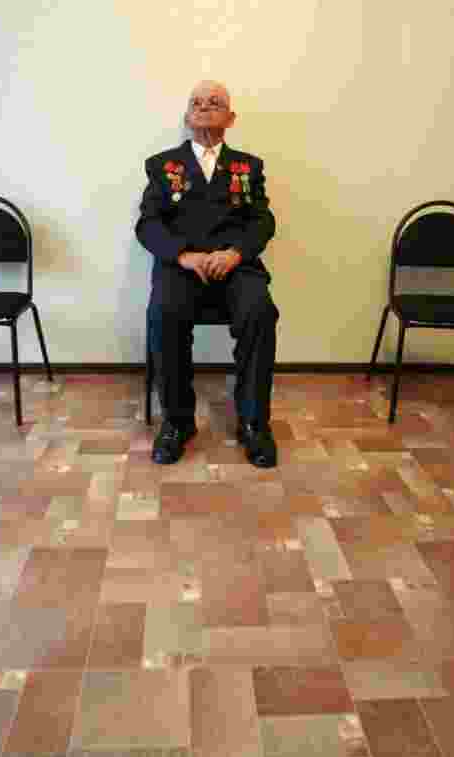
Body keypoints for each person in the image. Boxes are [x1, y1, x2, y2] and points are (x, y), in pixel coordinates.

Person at [136, 80, 279, 468]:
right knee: (163, 313)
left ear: (230, 118)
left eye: (214, 103)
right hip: (183, 269)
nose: (203, 108)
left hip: (236, 267)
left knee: (260, 312)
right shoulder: (163, 166)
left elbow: (262, 221)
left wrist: (235, 253)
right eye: (196, 103)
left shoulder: (248, 167)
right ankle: (178, 422)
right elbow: (148, 225)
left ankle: (253, 424)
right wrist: (183, 256)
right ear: (187, 116)